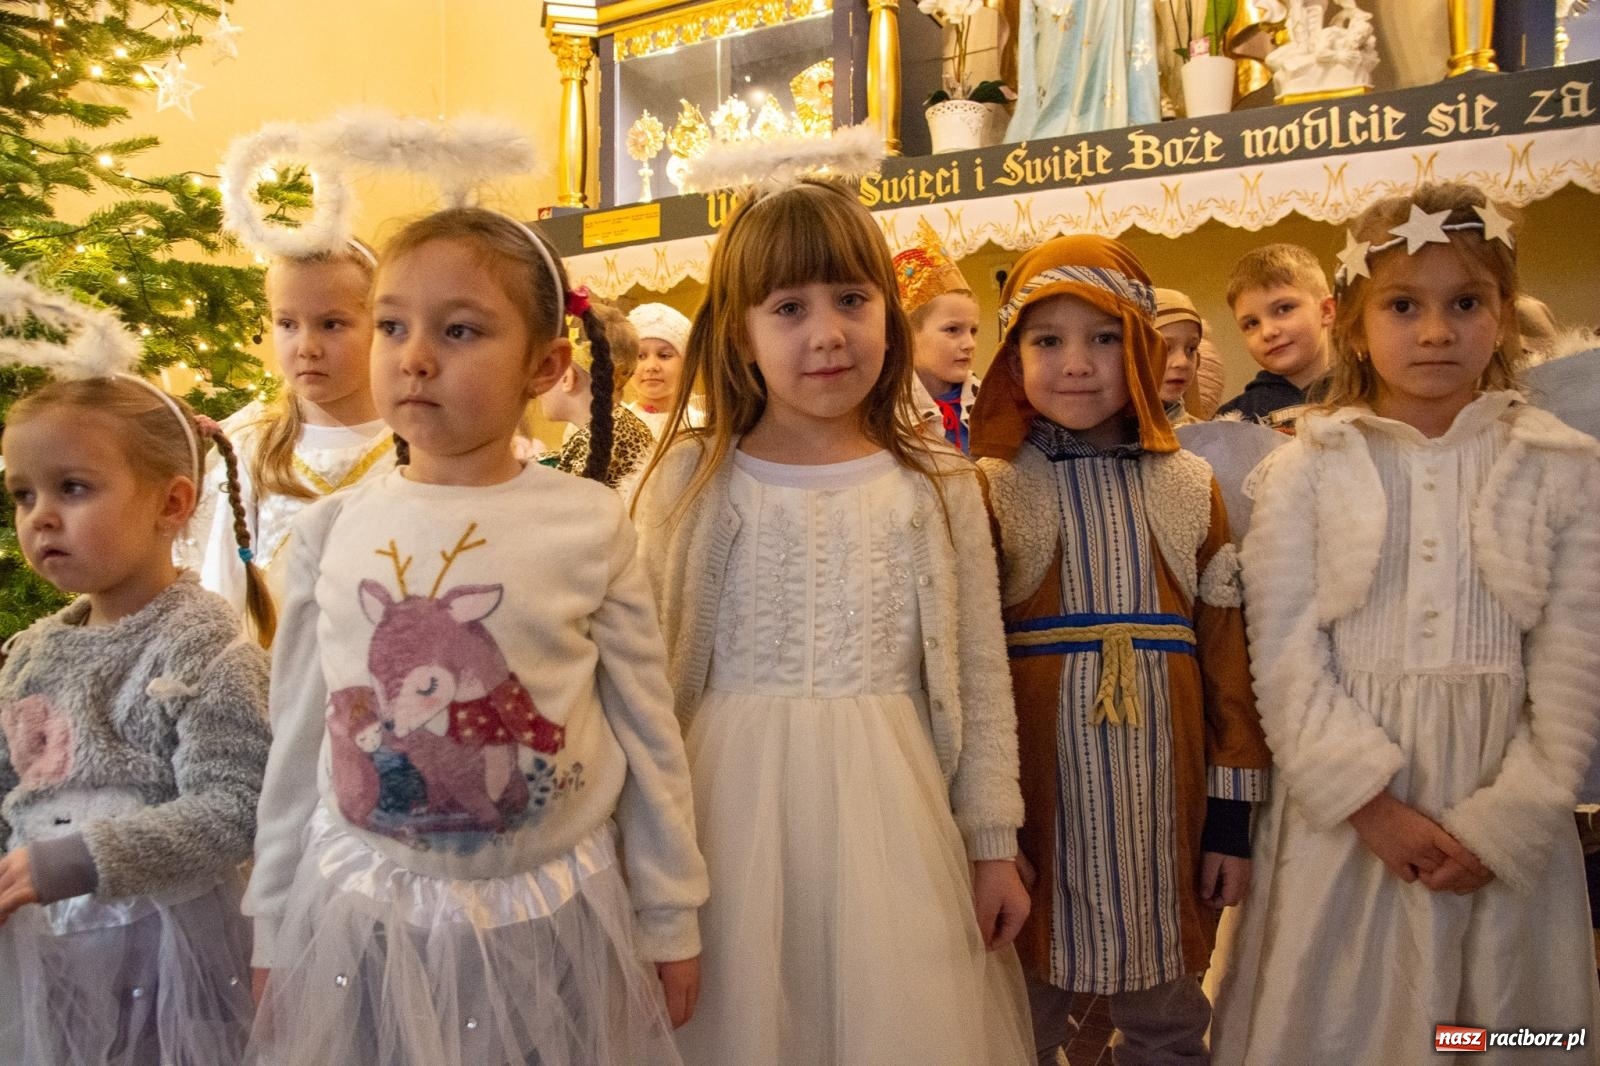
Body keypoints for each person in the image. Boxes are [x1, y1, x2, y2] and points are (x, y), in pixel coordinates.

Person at [244, 207, 708, 1066]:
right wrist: (274, 925)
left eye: (459, 330)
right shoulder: (329, 534)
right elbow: (298, 736)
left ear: (545, 366)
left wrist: (670, 913)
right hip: (365, 910)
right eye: (392, 326)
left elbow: (649, 729)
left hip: (553, 911)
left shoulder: (589, 524)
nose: (415, 355)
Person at [633, 179, 1034, 1066]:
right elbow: (644, 676)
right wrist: (642, 855)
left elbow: (976, 670)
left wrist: (992, 841)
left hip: (898, 819)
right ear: (739, 333)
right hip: (720, 817)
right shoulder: (691, 483)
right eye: (789, 307)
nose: (827, 333)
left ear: (889, 316)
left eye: (852, 300)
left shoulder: (934, 482)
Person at [1210, 183, 1600, 1064]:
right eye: (1403, 305)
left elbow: (1575, 664)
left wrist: (1508, 822)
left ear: (1501, 315)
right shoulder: (1306, 469)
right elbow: (1284, 655)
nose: (1435, 332)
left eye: (1465, 303)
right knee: (1343, 1024)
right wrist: (1369, 805)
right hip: (1348, 827)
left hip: (1498, 817)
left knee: (1495, 1030)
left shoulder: (1560, 467)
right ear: (1350, 320)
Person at [969, 235, 1271, 1066]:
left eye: (1104, 338)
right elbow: (968, 668)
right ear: (1013, 356)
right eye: (1047, 340)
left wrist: (1232, 821)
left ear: (1140, 347)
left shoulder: (1189, 488)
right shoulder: (987, 491)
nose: (1077, 364)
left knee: (1169, 1014)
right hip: (1039, 812)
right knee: (1020, 1016)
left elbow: (1226, 663)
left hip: (1164, 815)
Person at [0, 316, 272, 1065]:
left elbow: (233, 808)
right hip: (48, 958)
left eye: (73, 488)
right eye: (23, 495)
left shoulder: (206, 648)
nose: (41, 517)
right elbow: (9, 792)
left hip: (165, 957)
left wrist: (79, 860)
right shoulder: (30, 654)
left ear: (172, 503)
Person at [192, 241, 393, 621]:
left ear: (381, 324)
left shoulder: (416, 444)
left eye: (331, 324)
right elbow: (221, 592)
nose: (306, 347)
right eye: (287, 324)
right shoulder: (249, 449)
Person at [543, 301, 656, 496]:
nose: (537, 385)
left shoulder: (607, 438)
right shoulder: (617, 426)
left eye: (545, 369)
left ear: (567, 378)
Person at [1217, 243, 1334, 428]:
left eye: (1284, 309)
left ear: (1326, 311)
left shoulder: (1368, 395)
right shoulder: (1234, 419)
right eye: (1252, 323)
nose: (1268, 332)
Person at [894, 219, 982, 453]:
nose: (969, 344)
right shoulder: (886, 413)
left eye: (973, 330)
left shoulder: (989, 406)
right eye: (953, 330)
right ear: (908, 335)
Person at [626, 302, 702, 441]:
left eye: (664, 355)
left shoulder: (702, 426)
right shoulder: (614, 425)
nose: (651, 366)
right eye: (640, 356)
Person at [1154, 287, 1204, 427]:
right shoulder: (1102, 437)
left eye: (1191, 349)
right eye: (1164, 348)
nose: (1182, 362)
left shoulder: (1205, 439)